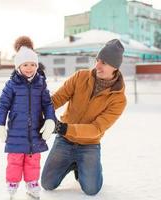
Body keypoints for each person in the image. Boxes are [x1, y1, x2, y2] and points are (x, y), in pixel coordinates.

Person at [41, 39, 127, 195]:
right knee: (47, 183)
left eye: (104, 63)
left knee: (91, 189)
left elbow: (97, 128)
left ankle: (86, 166)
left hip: (89, 144)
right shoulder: (81, 76)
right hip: (64, 140)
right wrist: (39, 110)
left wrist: (62, 127)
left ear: (115, 67)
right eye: (97, 60)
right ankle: (73, 163)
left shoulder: (118, 99)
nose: (98, 66)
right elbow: (58, 99)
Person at [0, 36, 55, 199]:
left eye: (33, 64)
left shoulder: (41, 84)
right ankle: (12, 184)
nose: (30, 68)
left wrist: (50, 120)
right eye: (26, 64)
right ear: (18, 66)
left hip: (35, 131)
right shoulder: (11, 84)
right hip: (15, 132)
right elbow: (2, 106)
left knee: (33, 160)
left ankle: (32, 184)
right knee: (14, 160)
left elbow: (48, 104)